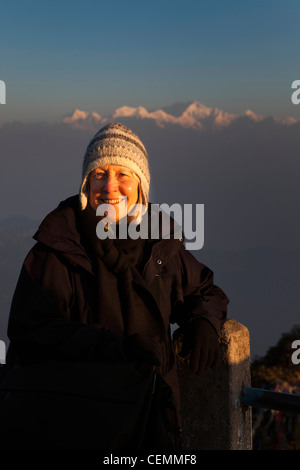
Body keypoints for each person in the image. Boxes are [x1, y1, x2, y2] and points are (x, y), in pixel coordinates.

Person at [0, 122, 229, 451]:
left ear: (141, 186)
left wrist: (205, 321)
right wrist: (117, 347)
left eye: (123, 174)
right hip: (81, 421)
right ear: (85, 183)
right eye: (99, 174)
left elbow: (204, 290)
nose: (110, 187)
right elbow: (32, 333)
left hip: (154, 420)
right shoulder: (58, 247)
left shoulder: (160, 245)